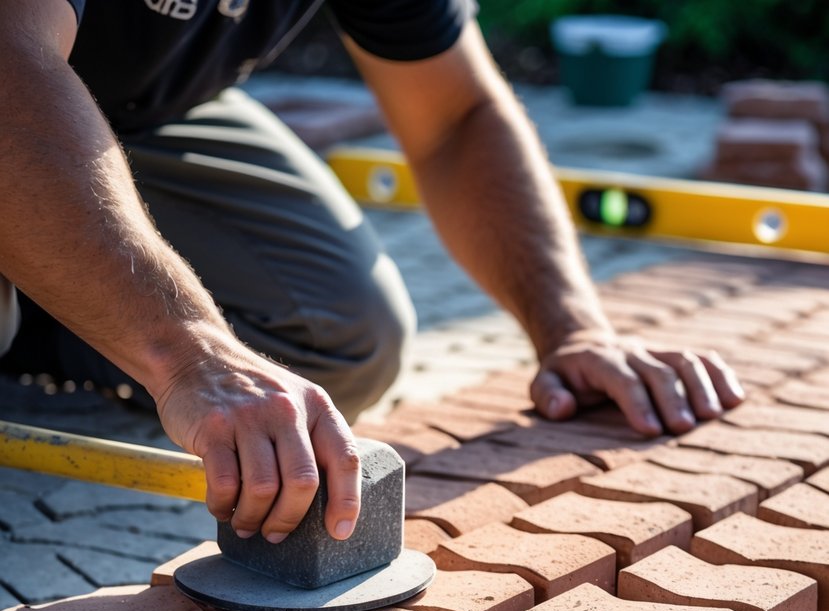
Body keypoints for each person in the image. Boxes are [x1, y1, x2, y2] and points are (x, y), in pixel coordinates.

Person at [0, 1, 743, 546]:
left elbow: (455, 116)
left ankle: (50, 301)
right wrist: (192, 356)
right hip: (17, 77)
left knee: (335, 334)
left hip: (136, 110)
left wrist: (573, 329)